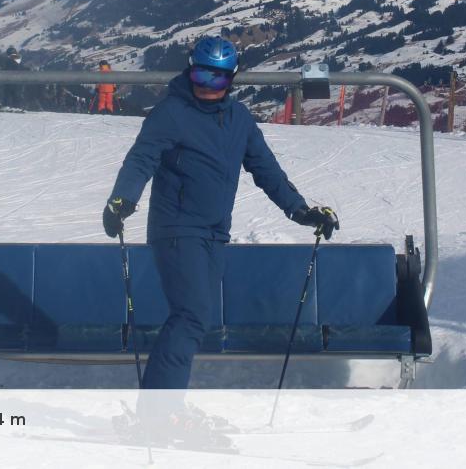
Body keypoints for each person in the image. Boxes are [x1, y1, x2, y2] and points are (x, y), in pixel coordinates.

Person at [101, 36, 340, 391]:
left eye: (219, 78)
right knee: (191, 315)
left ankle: (162, 406)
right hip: (176, 229)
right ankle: (159, 409)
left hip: (214, 233)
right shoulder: (171, 113)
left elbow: (266, 169)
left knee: (196, 317)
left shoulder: (239, 118)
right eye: (202, 76)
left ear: (232, 78)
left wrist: (301, 211)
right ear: (190, 70)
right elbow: (141, 159)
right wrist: (122, 200)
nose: (209, 86)